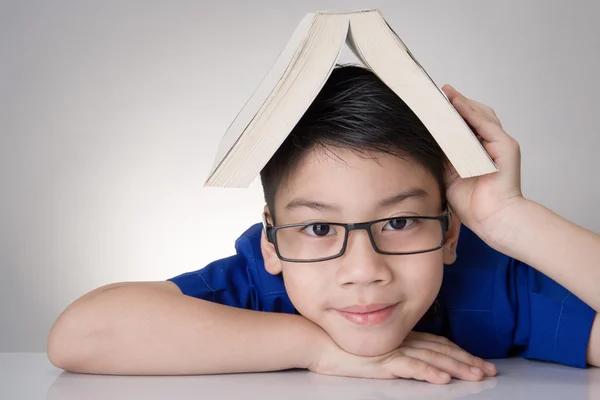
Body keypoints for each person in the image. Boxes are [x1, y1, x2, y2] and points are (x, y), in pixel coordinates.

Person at [47, 65, 600, 384]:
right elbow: (81, 335)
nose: (364, 272)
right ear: (271, 242)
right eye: (317, 230)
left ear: (451, 232)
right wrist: (312, 347)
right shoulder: (256, 288)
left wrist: (510, 218)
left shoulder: (490, 284)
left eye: (401, 220)